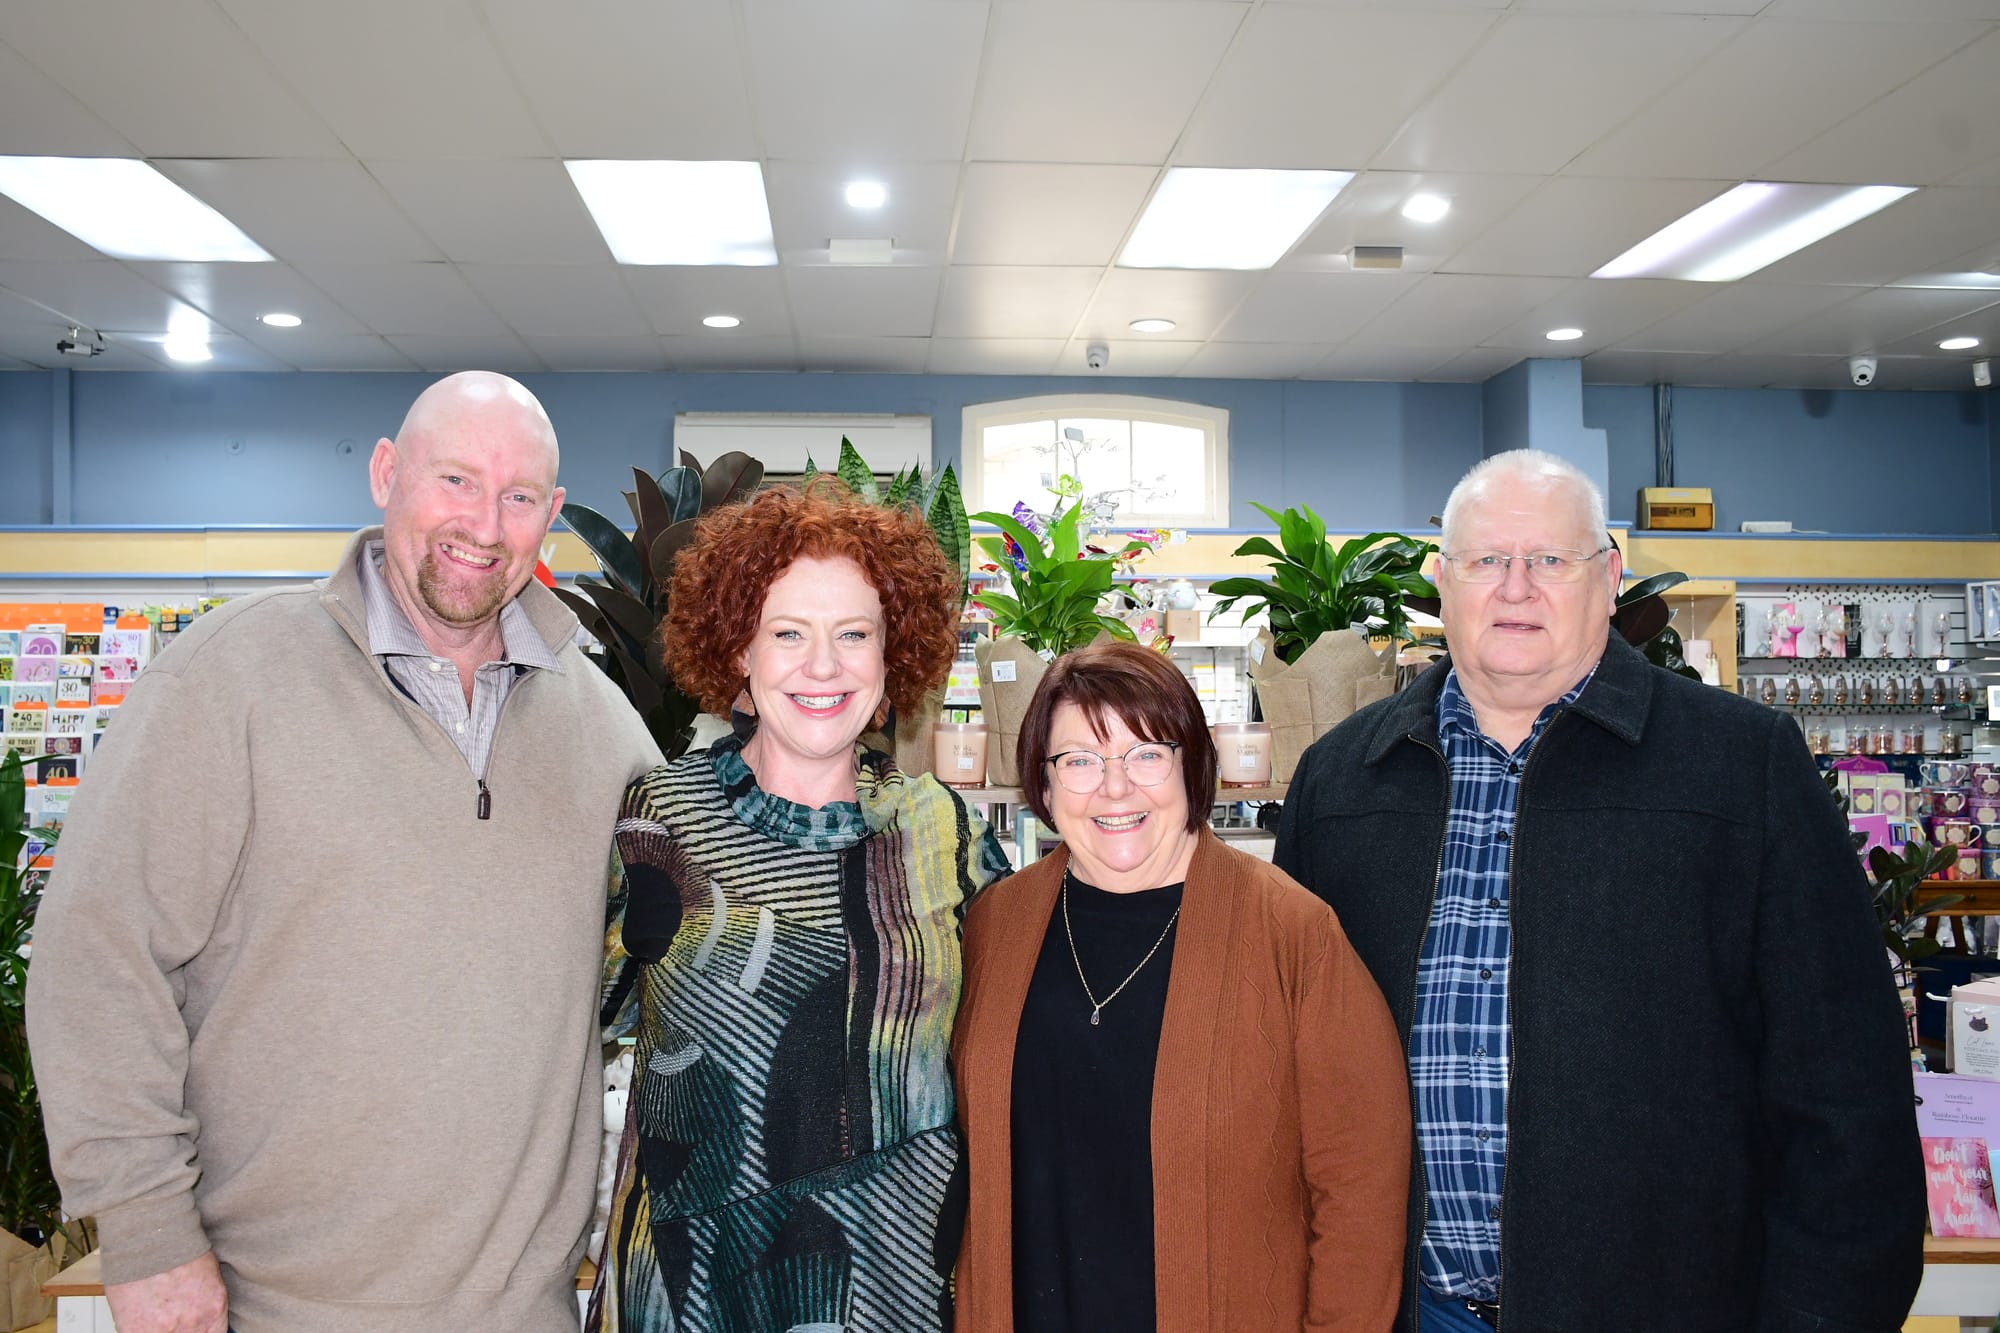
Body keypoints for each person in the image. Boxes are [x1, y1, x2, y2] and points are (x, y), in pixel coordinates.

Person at [25, 372, 661, 1332]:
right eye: (454, 480)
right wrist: (148, 1233)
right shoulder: (226, 677)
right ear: (385, 473)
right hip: (270, 1305)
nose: (483, 525)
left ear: (552, 516)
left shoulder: (602, 724)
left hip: (524, 1311)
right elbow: (96, 959)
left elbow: (704, 928)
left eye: (518, 496)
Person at [1274, 449, 1925, 1333]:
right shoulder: (1341, 782)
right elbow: (1288, 1083)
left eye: (1548, 559)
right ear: (1441, 581)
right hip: (1405, 1310)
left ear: (1608, 577)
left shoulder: (1741, 768)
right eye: (1485, 560)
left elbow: (1848, 1099)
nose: (1515, 588)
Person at [588, 483, 1011, 1333]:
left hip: (891, 1291)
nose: (824, 666)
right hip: (687, 1287)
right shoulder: (656, 819)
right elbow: (562, 1027)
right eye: (788, 632)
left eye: (854, 634)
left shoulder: (948, 835)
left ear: (895, 656)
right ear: (738, 650)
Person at [952, 641, 1411, 1333]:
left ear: (1190, 764)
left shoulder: (1292, 933)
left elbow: (1362, 1188)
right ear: (1042, 785)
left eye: (1146, 753)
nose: (1114, 787)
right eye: (1079, 760)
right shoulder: (997, 925)